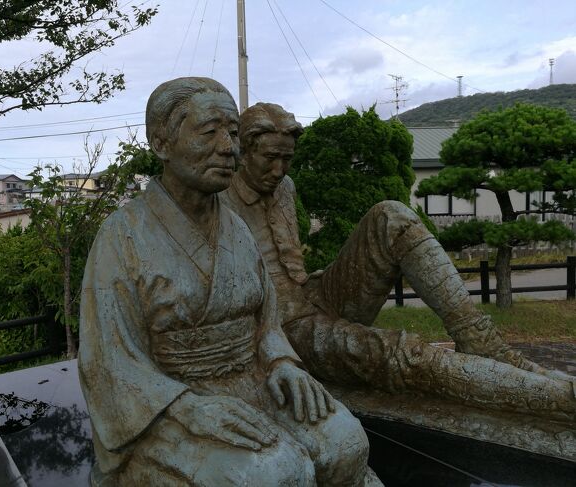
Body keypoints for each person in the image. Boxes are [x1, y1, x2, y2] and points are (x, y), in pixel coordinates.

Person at [78, 79, 382, 486]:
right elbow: (110, 361)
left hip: (253, 378)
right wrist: (187, 409)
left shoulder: (236, 227)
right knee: (273, 474)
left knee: (346, 445)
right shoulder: (123, 235)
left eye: (233, 133)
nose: (229, 147)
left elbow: (266, 319)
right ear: (161, 144)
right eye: (209, 132)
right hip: (170, 403)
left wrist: (281, 362)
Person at [221, 102, 576, 418]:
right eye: (271, 158)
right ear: (242, 152)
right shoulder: (217, 200)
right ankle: (559, 398)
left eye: (288, 159)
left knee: (391, 215)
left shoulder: (285, 188)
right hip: (286, 331)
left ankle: (480, 339)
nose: (281, 169)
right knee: (398, 351)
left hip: (315, 295)